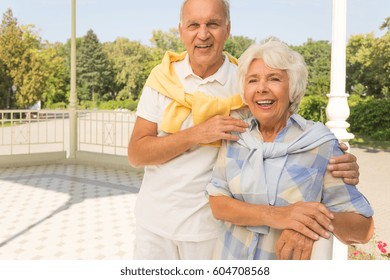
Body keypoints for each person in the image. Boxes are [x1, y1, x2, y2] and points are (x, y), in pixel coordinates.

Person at [127, 0, 360, 260]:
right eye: (194, 25)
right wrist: (197, 133)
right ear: (181, 30)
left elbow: (285, 123)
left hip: (210, 230)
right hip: (154, 224)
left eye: (213, 24)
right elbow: (137, 154)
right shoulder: (162, 78)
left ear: (227, 29)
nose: (202, 34)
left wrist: (334, 158)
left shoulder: (245, 80)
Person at [206, 39, 374, 260]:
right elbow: (218, 203)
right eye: (252, 80)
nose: (262, 88)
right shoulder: (236, 136)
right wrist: (277, 215)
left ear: (292, 90)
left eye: (274, 79)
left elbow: (364, 229)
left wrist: (308, 223)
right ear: (245, 91)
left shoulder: (319, 144)